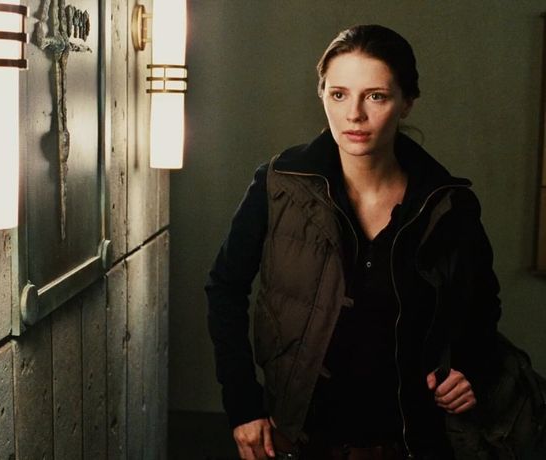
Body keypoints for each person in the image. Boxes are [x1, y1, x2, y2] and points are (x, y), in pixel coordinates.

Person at [205, 24, 501, 460]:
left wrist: (470, 368)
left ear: (406, 102)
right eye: (339, 94)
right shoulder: (278, 184)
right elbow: (225, 289)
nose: (354, 115)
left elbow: (482, 306)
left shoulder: (447, 204)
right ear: (322, 94)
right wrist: (243, 405)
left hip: (410, 443)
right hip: (296, 439)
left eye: (375, 96)